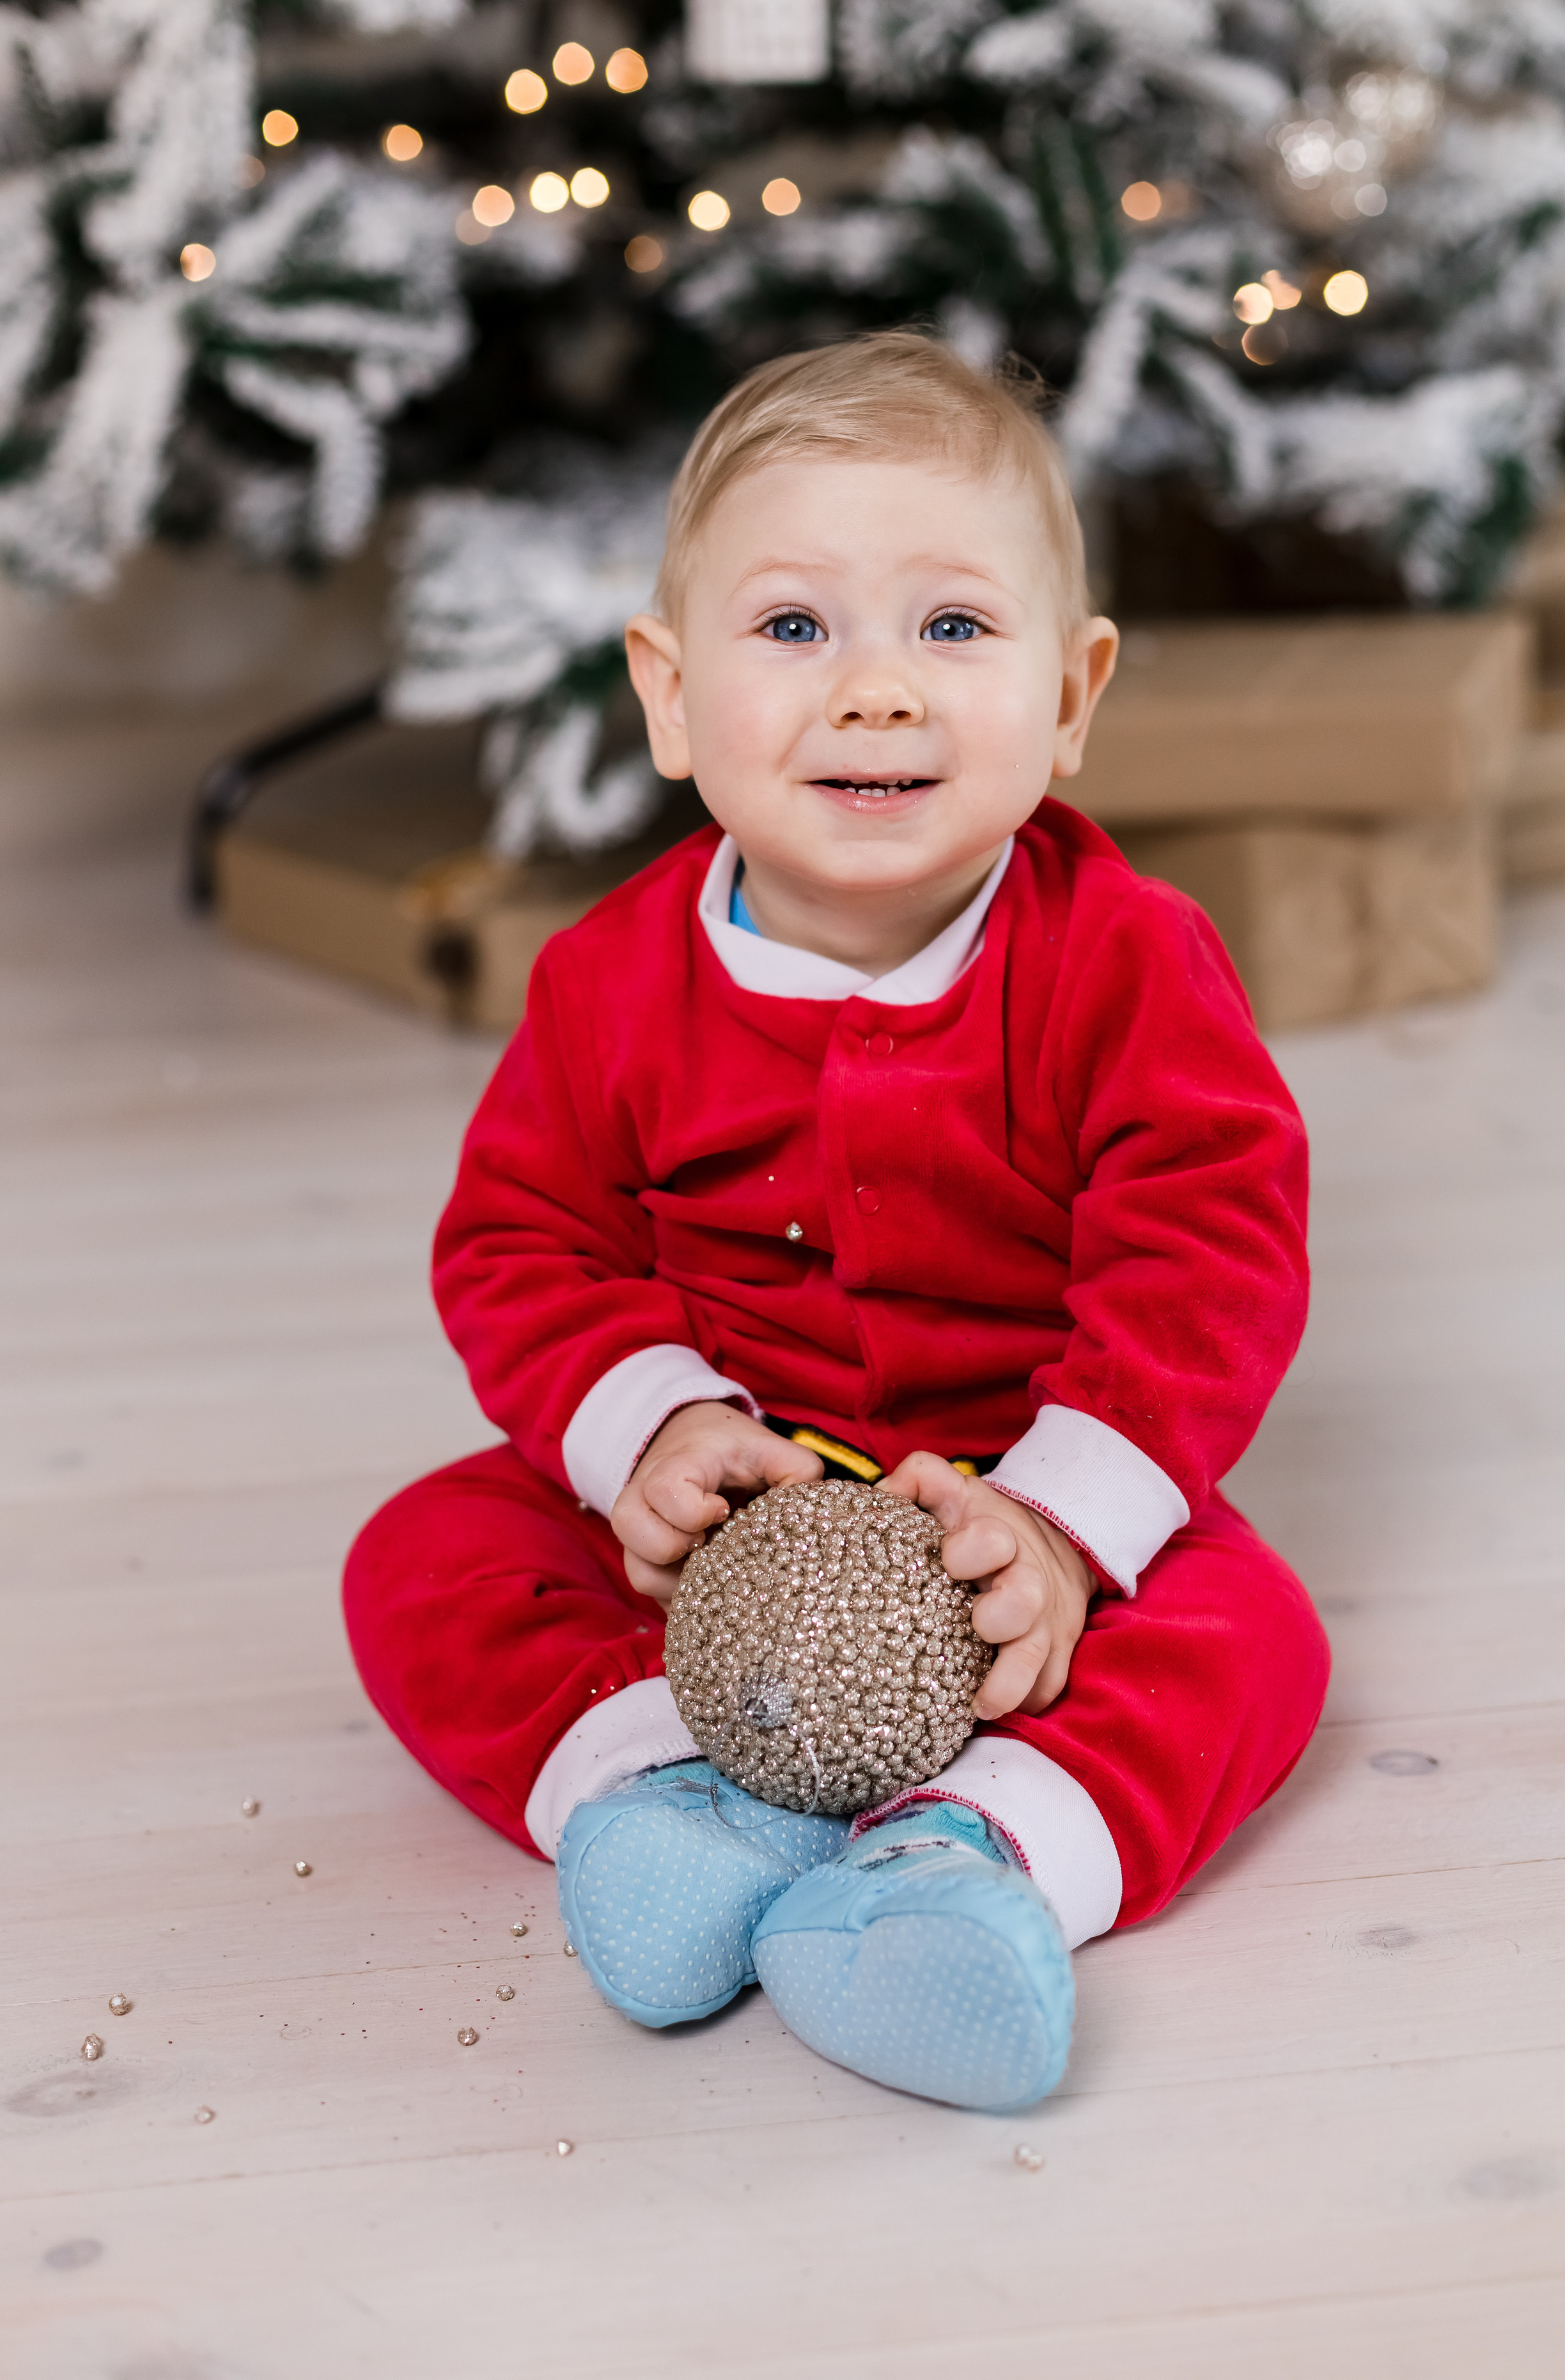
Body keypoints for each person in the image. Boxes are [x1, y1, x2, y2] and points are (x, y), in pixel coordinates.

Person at [344, 331, 1330, 2113]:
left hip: (1021, 1514)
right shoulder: (609, 982)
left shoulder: (1120, 959)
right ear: (665, 694)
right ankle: (681, 1795)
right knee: (423, 1558)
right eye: (794, 629)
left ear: (1074, 694)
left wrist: (1064, 1523)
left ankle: (963, 1861)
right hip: (730, 1534)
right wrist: (648, 1425)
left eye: (953, 630)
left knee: (1257, 1637)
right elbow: (519, 1240)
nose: (878, 693)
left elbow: (1215, 1249)